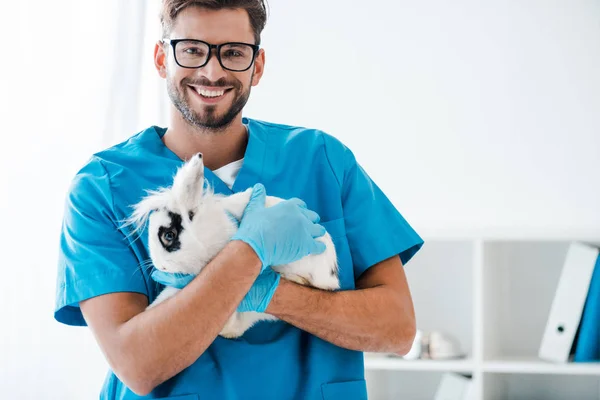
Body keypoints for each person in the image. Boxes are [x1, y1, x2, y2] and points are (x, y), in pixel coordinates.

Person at [54, 1, 424, 399]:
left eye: (232, 52)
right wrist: (248, 255)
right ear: (162, 58)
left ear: (257, 66)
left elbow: (398, 330)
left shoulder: (323, 161)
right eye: (192, 50)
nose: (212, 72)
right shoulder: (103, 186)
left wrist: (270, 293)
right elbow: (137, 364)